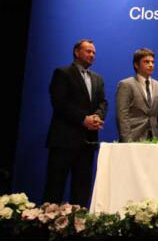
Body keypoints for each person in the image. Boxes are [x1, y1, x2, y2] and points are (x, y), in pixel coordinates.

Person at [43, 39, 108, 207]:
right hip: (64, 140)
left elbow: (103, 103)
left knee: (82, 189)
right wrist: (83, 119)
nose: (92, 55)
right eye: (88, 51)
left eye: (94, 52)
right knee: (55, 187)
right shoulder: (62, 73)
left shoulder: (97, 78)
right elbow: (59, 103)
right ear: (77, 52)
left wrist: (97, 117)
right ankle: (47, 221)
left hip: (87, 142)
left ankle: (77, 221)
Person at [116, 48, 158, 142]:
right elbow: (122, 116)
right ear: (136, 65)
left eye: (152, 62)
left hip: (155, 139)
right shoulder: (126, 85)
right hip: (133, 138)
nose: (151, 65)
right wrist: (127, 142)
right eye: (146, 62)